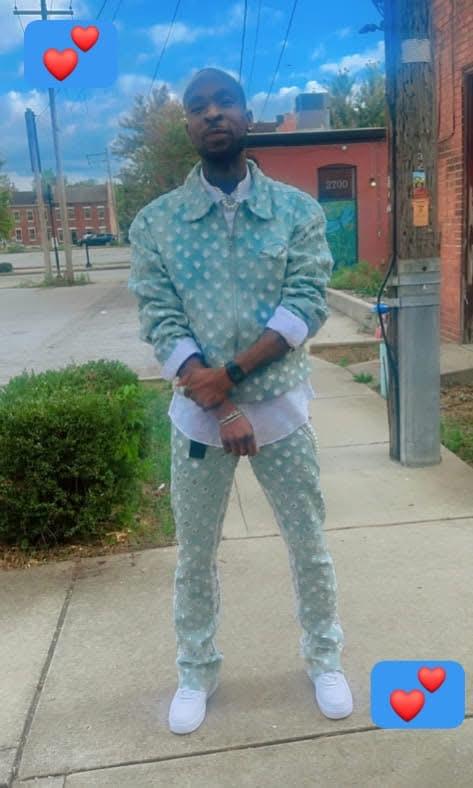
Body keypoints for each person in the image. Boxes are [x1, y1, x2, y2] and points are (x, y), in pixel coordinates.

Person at [128, 67, 353, 735]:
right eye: (198, 107)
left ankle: (324, 659)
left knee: (307, 543)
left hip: (280, 412)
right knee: (195, 553)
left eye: (224, 102)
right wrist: (214, 394)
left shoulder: (294, 212)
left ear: (247, 116)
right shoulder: (157, 223)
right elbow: (159, 315)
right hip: (198, 418)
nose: (212, 114)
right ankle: (195, 670)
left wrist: (231, 374)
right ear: (189, 126)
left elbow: (307, 301)